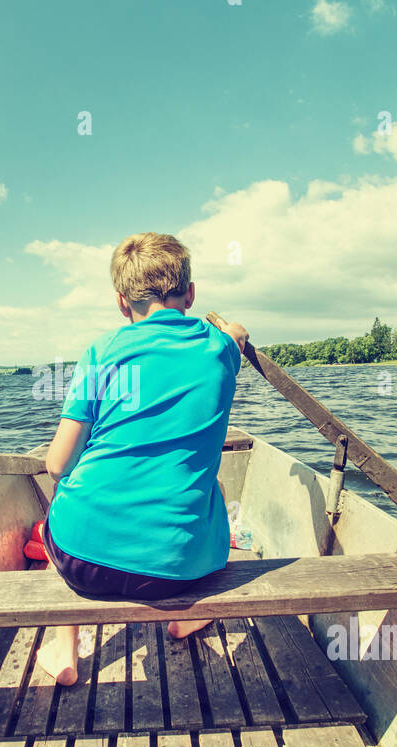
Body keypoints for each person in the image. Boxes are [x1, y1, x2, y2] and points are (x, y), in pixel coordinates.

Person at [36, 231, 247, 685]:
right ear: (190, 293)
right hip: (177, 573)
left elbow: (57, 463)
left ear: (120, 302)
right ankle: (189, 615)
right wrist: (234, 334)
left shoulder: (100, 353)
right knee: (214, 492)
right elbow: (236, 335)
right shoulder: (219, 350)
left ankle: (64, 649)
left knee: (65, 492)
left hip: (83, 563)